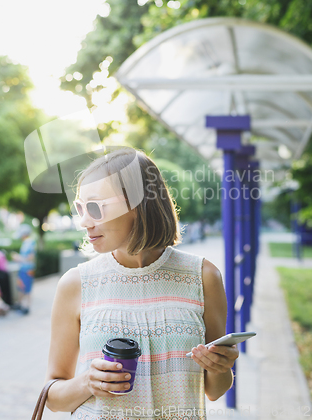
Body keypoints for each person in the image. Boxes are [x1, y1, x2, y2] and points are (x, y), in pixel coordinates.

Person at [44, 148, 239, 419]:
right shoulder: (75, 283)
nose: (84, 221)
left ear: (138, 204)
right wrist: (87, 381)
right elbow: (53, 398)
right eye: (80, 207)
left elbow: (215, 390)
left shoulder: (203, 276)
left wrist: (220, 368)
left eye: (94, 207)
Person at [11, 224, 36, 315]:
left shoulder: (29, 243)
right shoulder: (27, 242)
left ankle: (26, 306)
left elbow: (31, 257)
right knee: (22, 287)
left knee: (26, 288)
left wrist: (18, 258)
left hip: (27, 270)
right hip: (25, 269)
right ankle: (21, 305)